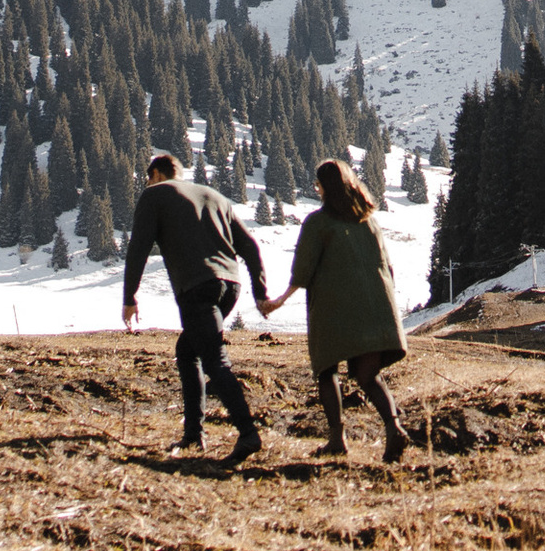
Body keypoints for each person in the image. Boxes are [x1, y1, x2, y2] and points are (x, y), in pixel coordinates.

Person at [121, 151, 271, 463]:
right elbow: (249, 246)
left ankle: (247, 433)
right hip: (230, 285)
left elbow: (138, 248)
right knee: (188, 351)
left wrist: (129, 297)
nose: (147, 184)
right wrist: (260, 292)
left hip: (197, 286)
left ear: (157, 174)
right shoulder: (214, 196)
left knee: (215, 360)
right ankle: (193, 433)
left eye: (148, 178)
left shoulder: (154, 195)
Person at [262, 158, 410, 461]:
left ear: (323, 188)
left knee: (326, 369)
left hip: (334, 308)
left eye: (317, 185)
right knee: (368, 375)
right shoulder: (369, 220)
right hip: (375, 304)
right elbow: (388, 267)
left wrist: (279, 300)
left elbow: (302, 270)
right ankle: (394, 427)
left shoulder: (318, 223)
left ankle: (337, 439)